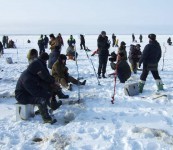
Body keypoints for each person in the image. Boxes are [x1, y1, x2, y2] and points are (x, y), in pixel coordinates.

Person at [15, 53, 69, 123]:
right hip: (22, 96)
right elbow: (35, 93)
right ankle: (46, 119)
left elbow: (41, 81)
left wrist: (51, 85)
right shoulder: (27, 78)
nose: (40, 72)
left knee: (49, 89)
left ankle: (52, 105)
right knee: (41, 99)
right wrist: (47, 93)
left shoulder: (32, 73)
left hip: (28, 92)